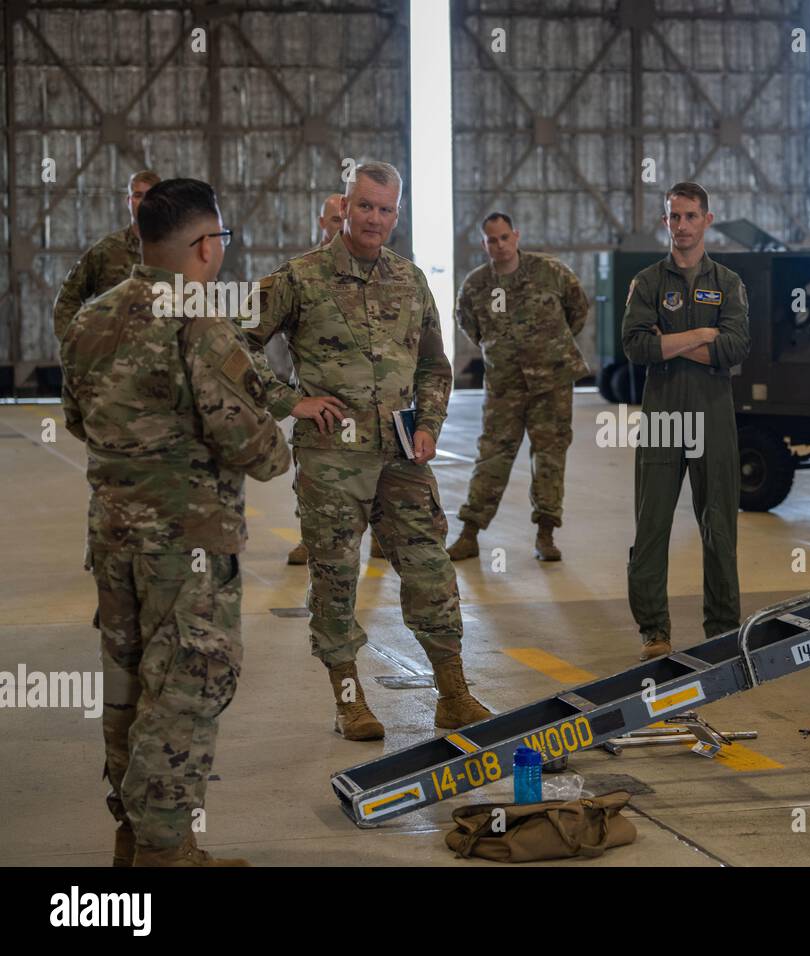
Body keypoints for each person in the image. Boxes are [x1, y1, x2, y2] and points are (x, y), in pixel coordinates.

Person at [61, 178, 290, 865]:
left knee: (127, 684)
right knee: (188, 686)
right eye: (221, 238)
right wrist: (278, 445)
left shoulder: (91, 318)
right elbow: (252, 445)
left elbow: (77, 420)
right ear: (203, 245)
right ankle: (165, 852)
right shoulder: (199, 322)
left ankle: (136, 837)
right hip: (187, 546)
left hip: (112, 536)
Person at [245, 161, 490, 738]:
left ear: (396, 214)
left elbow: (434, 364)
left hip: (402, 455)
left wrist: (429, 423)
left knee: (430, 569)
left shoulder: (409, 279)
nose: (374, 218)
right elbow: (234, 343)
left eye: (385, 209)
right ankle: (349, 702)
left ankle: (454, 695)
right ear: (344, 207)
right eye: (364, 206)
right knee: (336, 577)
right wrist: (289, 401)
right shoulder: (299, 278)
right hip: (332, 459)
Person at [622, 182, 750, 661]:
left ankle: (722, 630)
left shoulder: (729, 282)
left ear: (706, 220)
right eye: (674, 216)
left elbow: (735, 347)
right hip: (663, 414)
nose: (682, 225)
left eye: (690, 216)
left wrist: (671, 342)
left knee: (719, 526)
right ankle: (654, 631)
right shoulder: (648, 282)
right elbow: (636, 345)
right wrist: (701, 335)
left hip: (712, 413)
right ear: (665, 221)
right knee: (651, 525)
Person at [446, 212, 589, 563]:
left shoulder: (550, 271)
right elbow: (469, 325)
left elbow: (577, 309)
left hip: (551, 382)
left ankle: (546, 535)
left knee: (550, 458)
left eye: (505, 237)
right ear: (484, 244)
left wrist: (551, 347)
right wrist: (502, 352)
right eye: (492, 240)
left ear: (516, 236)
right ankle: (470, 533)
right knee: (492, 455)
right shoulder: (476, 285)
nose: (500, 245)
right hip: (504, 385)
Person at [284, 193, 349, 566]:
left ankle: (378, 538)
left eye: (345, 218)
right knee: (311, 476)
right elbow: (246, 335)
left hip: (369, 403)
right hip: (318, 401)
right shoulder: (299, 273)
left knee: (377, 476)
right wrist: (286, 400)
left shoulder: (386, 270)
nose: (342, 227)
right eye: (335, 220)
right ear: (321, 223)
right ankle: (310, 538)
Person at [53, 170, 160, 341]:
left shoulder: (176, 251)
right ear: (129, 201)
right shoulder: (108, 250)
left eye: (151, 197)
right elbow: (67, 299)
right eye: (138, 195)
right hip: (113, 354)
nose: (144, 202)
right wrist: (78, 345)